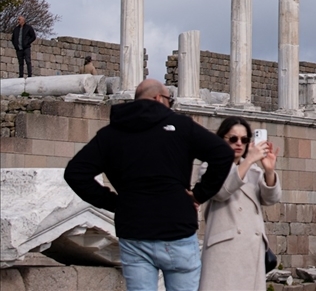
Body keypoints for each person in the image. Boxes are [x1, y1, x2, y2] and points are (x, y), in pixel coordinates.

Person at [64, 79, 234, 291]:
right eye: (169, 100)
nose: (170, 105)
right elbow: (223, 153)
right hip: (177, 227)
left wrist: (115, 202)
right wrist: (199, 194)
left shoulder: (110, 135)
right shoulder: (182, 126)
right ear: (158, 99)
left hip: (134, 230)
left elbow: (75, 173)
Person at [198, 117, 281, 291]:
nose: (239, 144)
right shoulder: (209, 167)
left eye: (244, 140)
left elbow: (271, 198)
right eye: (233, 139)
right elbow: (221, 192)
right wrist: (249, 160)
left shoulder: (254, 171)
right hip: (224, 250)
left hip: (252, 249)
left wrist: (269, 171)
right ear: (222, 139)